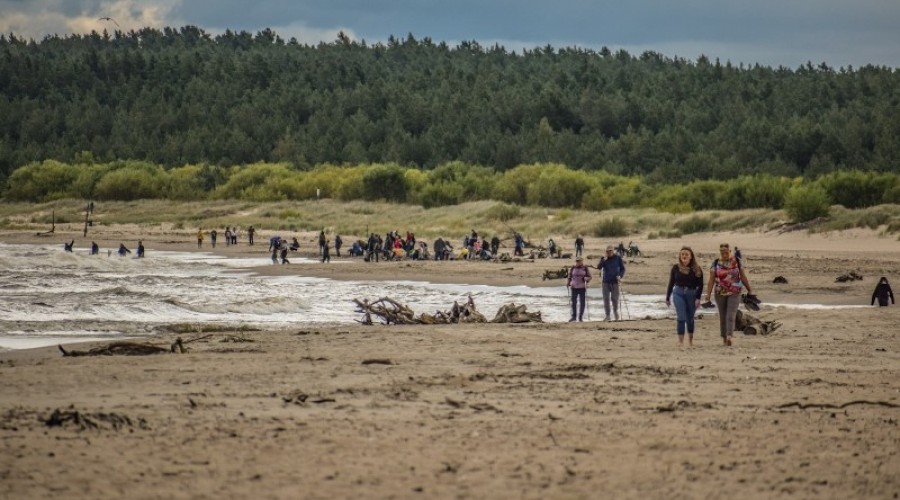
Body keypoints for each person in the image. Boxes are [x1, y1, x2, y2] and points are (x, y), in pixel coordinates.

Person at [705, 243, 754, 347]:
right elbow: (711, 280)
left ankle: (729, 337)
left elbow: (743, 277)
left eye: (726, 252)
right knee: (723, 317)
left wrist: (749, 290)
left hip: (735, 292)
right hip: (720, 293)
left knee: (731, 315)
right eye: (722, 253)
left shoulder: (737, 262)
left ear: (730, 251)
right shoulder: (716, 263)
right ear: (720, 252)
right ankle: (724, 338)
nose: (724, 254)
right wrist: (708, 295)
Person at [665, 247, 704, 346]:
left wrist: (698, 298)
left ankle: (690, 340)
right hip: (678, 292)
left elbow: (700, 285)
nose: (684, 256)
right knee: (681, 317)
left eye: (686, 254)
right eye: (682, 254)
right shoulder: (675, 268)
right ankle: (681, 341)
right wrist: (667, 297)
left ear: (691, 256)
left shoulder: (697, 269)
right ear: (680, 256)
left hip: (692, 293)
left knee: (690, 318)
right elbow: (671, 282)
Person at [598, 245, 626, 321]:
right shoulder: (604, 259)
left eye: (611, 251)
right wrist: (604, 259)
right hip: (606, 282)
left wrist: (620, 276)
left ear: (613, 251)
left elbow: (623, 269)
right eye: (608, 251)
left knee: (615, 298)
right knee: (606, 299)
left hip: (615, 281)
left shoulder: (618, 258)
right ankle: (607, 315)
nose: (609, 252)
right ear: (606, 252)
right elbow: (599, 267)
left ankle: (616, 312)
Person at [566, 256, 592, 322]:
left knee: (582, 303)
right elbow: (570, 276)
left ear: (582, 261)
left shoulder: (585, 268)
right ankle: (574, 317)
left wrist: (586, 279)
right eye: (577, 261)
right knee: (573, 302)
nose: (578, 262)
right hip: (574, 287)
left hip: (582, 287)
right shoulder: (573, 267)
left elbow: (590, 277)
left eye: (579, 261)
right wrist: (568, 282)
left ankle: (580, 317)